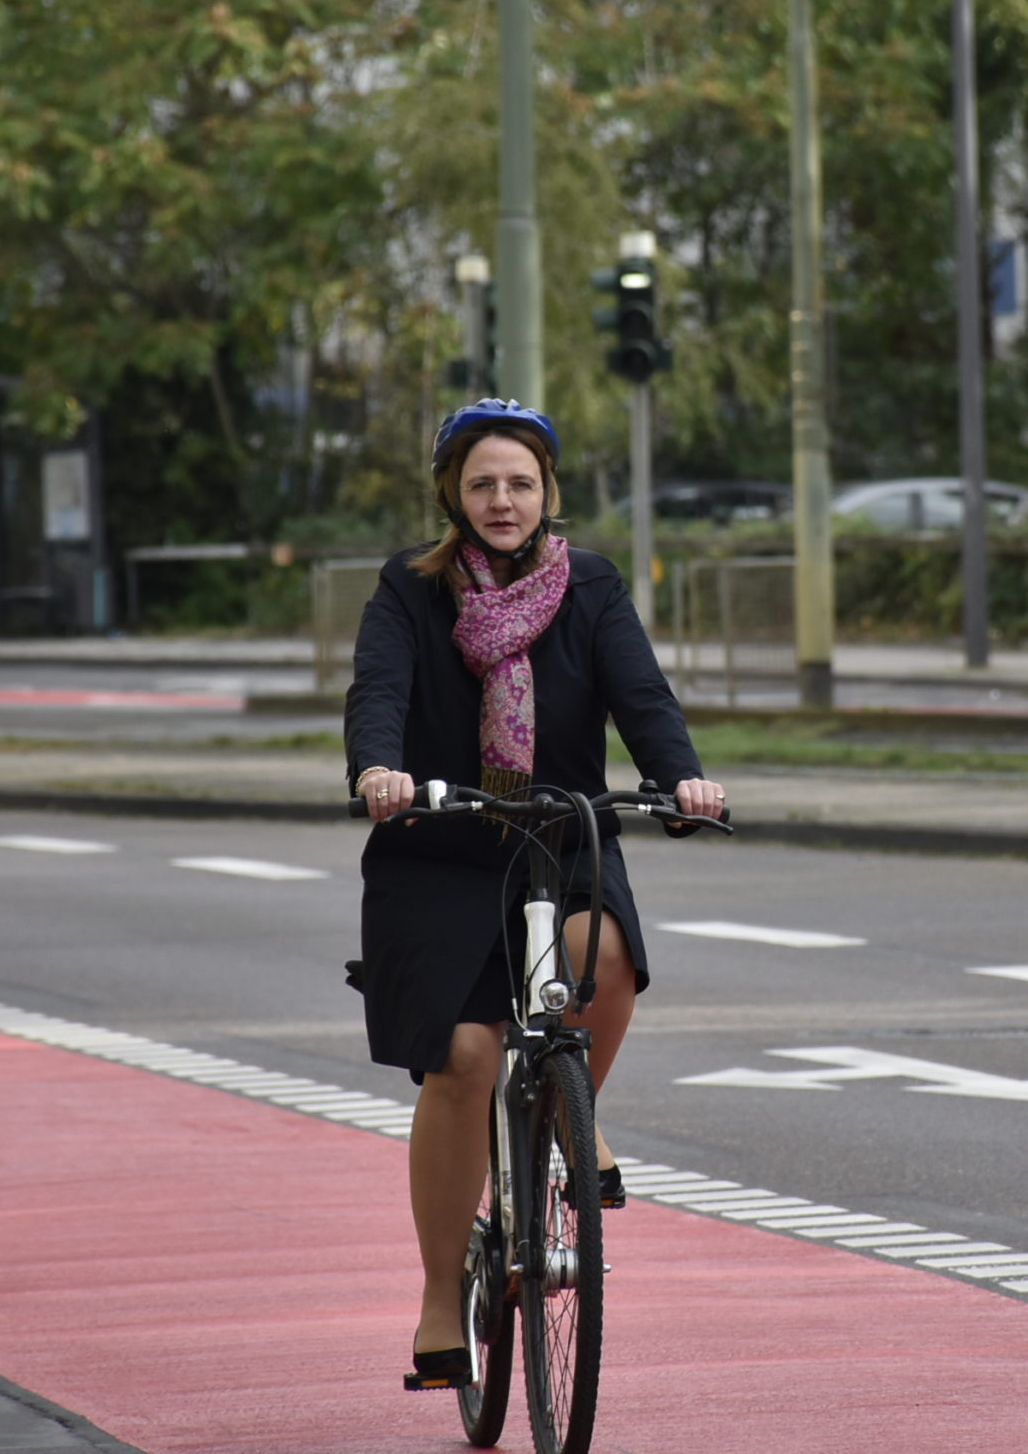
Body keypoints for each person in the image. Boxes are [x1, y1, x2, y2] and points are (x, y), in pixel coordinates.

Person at [346, 398, 726, 1395]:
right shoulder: (409, 588)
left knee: (599, 954)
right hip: (439, 844)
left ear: (547, 491)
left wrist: (681, 776)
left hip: (560, 831)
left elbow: (642, 695)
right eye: (481, 484)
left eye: (519, 482)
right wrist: (378, 769)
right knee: (465, 1055)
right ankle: (441, 1300)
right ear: (452, 496)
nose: (501, 500)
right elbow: (376, 691)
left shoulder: (591, 585)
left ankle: (569, 1112)